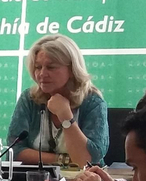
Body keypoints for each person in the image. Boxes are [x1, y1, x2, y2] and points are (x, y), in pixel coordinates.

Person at [8, 35, 108, 166]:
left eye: (51, 67)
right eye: (38, 67)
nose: (42, 74)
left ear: (72, 69)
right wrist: (63, 160)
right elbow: (14, 151)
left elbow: (88, 159)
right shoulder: (29, 99)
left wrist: (65, 116)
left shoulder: (93, 102)